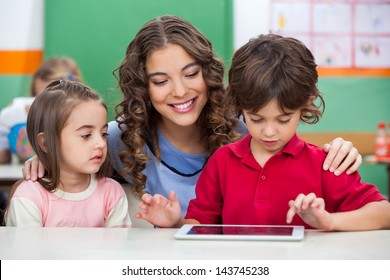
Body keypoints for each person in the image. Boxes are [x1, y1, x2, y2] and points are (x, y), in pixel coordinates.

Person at [23, 16, 362, 217]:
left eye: (190, 73)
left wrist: (337, 149)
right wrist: (45, 163)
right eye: (160, 81)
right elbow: (71, 174)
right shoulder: (116, 139)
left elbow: (293, 153)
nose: (180, 91)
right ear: (143, 86)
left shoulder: (245, 130)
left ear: (208, 73)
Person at [136, 34, 390, 231]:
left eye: (283, 119)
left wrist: (329, 221)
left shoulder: (325, 164)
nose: (269, 132)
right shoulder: (222, 162)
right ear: (239, 106)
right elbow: (201, 226)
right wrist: (178, 223)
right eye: (256, 119)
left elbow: (383, 213)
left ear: (306, 103)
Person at [5, 80, 132, 227]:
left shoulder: (112, 192)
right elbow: (28, 249)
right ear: (45, 143)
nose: (101, 144)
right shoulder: (29, 196)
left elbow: (118, 248)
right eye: (86, 135)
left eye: (104, 134)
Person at [0, 56, 83, 164]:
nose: (44, 105)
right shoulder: (17, 112)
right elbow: (3, 155)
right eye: (38, 98)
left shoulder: (80, 118)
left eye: (53, 100)